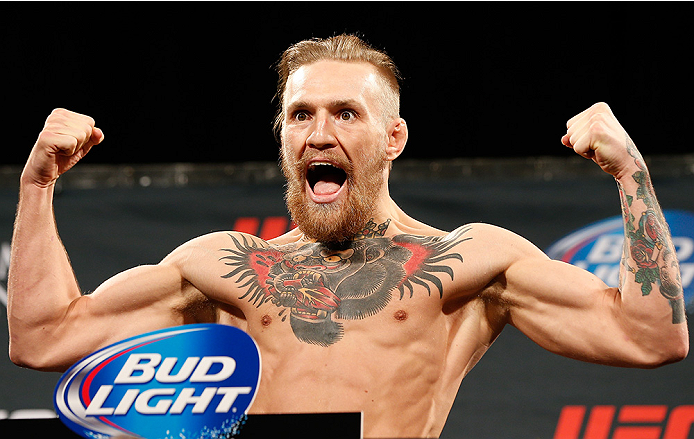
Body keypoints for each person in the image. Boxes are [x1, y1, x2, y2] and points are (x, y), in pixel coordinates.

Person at [7, 34, 689, 438]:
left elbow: (649, 335)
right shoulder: (224, 266)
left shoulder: (469, 261)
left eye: (345, 113)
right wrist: (38, 184)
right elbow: (44, 337)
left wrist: (630, 171)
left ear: (393, 138)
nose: (319, 132)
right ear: (283, 140)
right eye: (300, 114)